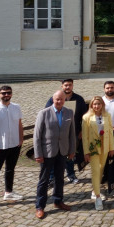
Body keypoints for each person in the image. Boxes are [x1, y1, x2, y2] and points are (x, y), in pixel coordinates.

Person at [33, 90, 76, 219]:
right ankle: (40, 206)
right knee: (44, 180)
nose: (59, 101)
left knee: (59, 178)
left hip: (62, 151)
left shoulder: (69, 112)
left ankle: (58, 200)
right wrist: (38, 154)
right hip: (47, 152)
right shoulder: (44, 113)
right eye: (57, 99)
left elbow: (71, 134)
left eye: (62, 99)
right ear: (53, 99)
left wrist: (72, 150)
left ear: (65, 100)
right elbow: (37, 136)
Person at [46, 78, 87, 184]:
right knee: (54, 154)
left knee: (71, 154)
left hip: (73, 131)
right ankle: (51, 177)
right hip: (57, 132)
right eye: (65, 85)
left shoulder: (79, 99)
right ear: (62, 86)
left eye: (69, 85)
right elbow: (47, 113)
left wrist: (82, 130)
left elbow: (85, 116)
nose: (67, 87)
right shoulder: (54, 98)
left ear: (72, 85)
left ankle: (71, 175)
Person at [82, 96, 114, 210]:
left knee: (101, 169)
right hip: (93, 148)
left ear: (102, 105)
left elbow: (110, 132)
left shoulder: (107, 116)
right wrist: (86, 152)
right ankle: (97, 197)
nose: (96, 106)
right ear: (91, 105)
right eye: (94, 104)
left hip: (105, 147)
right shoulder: (86, 117)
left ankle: (94, 189)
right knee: (95, 171)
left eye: (98, 104)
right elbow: (85, 137)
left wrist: (112, 147)